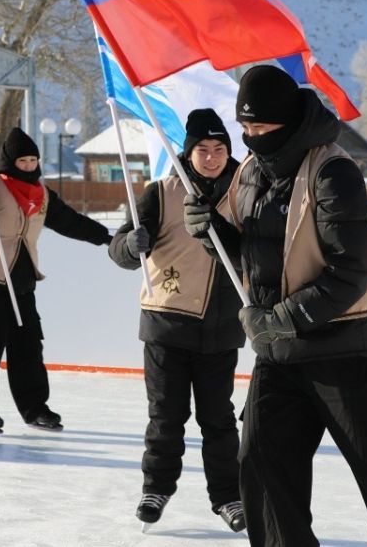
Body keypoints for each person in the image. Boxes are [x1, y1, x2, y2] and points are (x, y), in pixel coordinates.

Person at [184, 66, 367, 546]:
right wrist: (211, 232)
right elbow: (249, 254)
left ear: (287, 122)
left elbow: (351, 271)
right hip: (279, 355)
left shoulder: (332, 171)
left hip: (342, 352)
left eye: (261, 127)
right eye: (245, 128)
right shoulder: (249, 172)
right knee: (262, 469)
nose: (251, 137)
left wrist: (283, 319)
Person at [107, 109, 247, 532]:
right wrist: (130, 246)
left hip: (221, 327)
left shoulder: (245, 191)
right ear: (187, 154)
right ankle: (156, 489)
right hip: (166, 322)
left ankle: (228, 496)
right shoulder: (161, 193)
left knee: (219, 420)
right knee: (166, 417)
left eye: (219, 149)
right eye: (203, 150)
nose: (212, 157)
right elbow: (118, 249)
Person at [0, 127, 112, 435]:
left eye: (32, 160)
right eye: (22, 161)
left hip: (21, 275)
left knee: (28, 344)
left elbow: (69, 221)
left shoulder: (41, 194)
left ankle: (35, 409)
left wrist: (107, 238)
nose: (28, 166)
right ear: (9, 162)